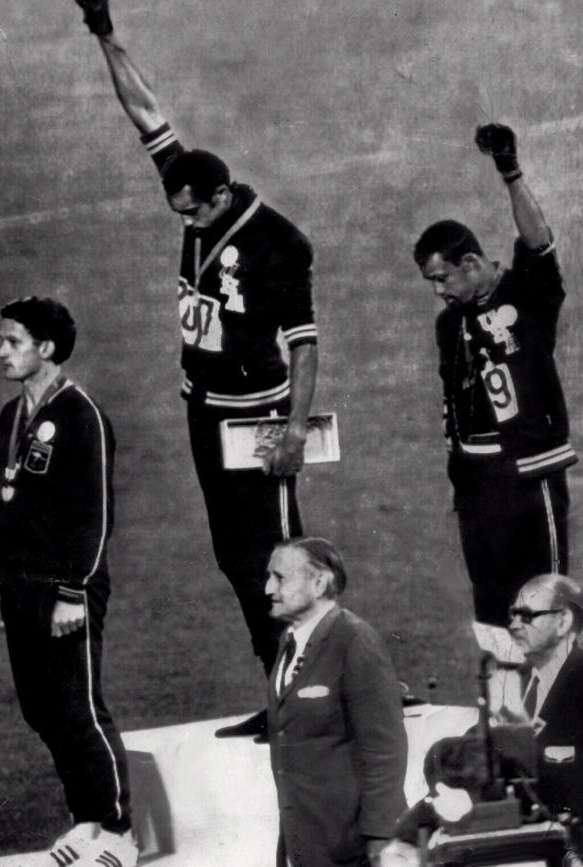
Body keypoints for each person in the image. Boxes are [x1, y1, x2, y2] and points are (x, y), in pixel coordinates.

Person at [72, 0, 319, 736]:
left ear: (221, 195)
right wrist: (106, 35)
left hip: (259, 417)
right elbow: (144, 110)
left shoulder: (279, 242)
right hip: (203, 409)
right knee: (236, 556)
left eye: (192, 214)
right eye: (176, 212)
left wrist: (296, 428)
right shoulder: (191, 184)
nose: (184, 223)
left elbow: (304, 341)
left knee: (281, 554)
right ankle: (282, 693)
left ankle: (316, 694)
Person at [0, 297, 137, 866]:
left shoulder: (81, 416)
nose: (1, 352)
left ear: (45, 348)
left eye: (13, 342)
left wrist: (74, 591)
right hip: (19, 585)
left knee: (79, 708)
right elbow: (3, 502)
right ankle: (87, 819)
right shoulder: (10, 415)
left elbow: (96, 516)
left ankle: (120, 831)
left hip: (66, 589)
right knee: (40, 710)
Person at [413, 123, 577, 627]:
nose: (438, 291)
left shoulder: (528, 295)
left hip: (529, 475)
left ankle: (558, 705)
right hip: (477, 485)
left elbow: (538, 241)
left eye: (442, 278)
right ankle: (503, 705)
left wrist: (510, 171)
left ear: (469, 262)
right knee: (491, 609)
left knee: (544, 604)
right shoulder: (449, 324)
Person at [265, 537, 408, 867]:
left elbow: (386, 749)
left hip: (352, 849)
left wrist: (380, 837)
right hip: (306, 844)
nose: (268, 588)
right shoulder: (290, 643)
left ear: (318, 583)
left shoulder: (355, 641)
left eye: (280, 577)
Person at [507, 573, 583, 857]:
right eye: (513, 614)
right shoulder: (514, 682)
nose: (514, 625)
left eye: (526, 616)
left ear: (563, 621)